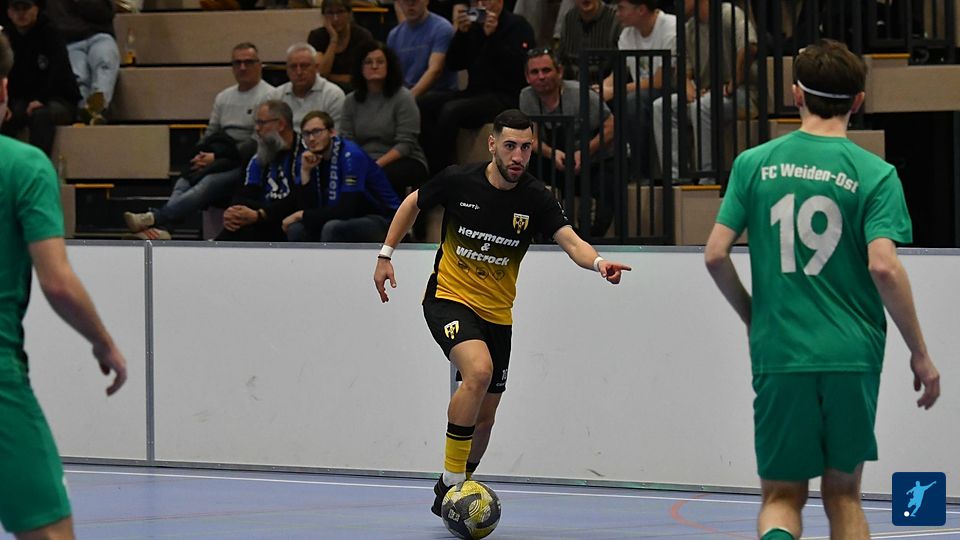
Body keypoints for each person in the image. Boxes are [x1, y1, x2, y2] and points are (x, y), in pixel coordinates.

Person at [704, 39, 940, 540]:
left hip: (780, 349)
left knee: (781, 498)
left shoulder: (753, 164)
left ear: (796, 95)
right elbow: (884, 267)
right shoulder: (876, 174)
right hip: (851, 353)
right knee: (845, 496)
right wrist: (920, 353)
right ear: (858, 101)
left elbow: (716, 254)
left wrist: (753, 315)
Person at [373, 109, 631, 517]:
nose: (517, 156)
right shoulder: (459, 180)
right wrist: (386, 254)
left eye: (526, 148)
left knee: (486, 418)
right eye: (510, 146)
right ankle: (453, 481)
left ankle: (451, 489)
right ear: (492, 144)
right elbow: (412, 203)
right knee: (478, 372)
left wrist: (599, 263)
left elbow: (571, 241)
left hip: (497, 315)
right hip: (448, 298)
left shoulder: (536, 197)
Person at [0, 33, 127, 540]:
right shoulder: (22, 166)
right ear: (4, 87)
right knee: (50, 533)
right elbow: (57, 282)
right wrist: (103, 342)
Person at [123, 42, 274, 240]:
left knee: (208, 183)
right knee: (184, 180)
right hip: (219, 155)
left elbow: (256, 141)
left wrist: (217, 157)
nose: (243, 67)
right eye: (237, 63)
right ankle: (162, 229)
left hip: (246, 163)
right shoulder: (224, 97)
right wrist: (202, 155)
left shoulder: (269, 96)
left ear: (259, 64)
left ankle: (156, 218)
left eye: (248, 62)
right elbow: (211, 133)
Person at [418, 0, 535, 175]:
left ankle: (439, 173)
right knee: (425, 103)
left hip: (504, 94)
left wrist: (492, 37)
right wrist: (461, 33)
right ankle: (425, 166)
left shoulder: (517, 25)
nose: (483, 4)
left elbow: (519, 69)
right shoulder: (475, 25)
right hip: (474, 92)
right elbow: (454, 63)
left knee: (451, 111)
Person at [653, 0, 757, 184]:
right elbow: (685, 66)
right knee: (662, 106)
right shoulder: (690, 27)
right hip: (708, 92)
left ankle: (707, 178)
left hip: (745, 93)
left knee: (702, 106)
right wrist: (687, 86)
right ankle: (676, 178)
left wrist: (733, 82)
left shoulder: (729, 14)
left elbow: (750, 46)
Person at [519, 47, 615, 236]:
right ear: (527, 77)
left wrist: (585, 152)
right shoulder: (526, 96)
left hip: (594, 159)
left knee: (608, 186)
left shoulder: (581, 93)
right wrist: (552, 154)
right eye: (535, 72)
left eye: (546, 70)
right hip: (556, 159)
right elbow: (530, 137)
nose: (541, 76)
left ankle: (593, 237)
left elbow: (611, 126)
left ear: (560, 71)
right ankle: (542, 236)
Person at [280, 111, 401, 242]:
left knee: (332, 228)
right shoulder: (310, 158)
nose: (312, 138)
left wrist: (301, 215)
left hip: (383, 219)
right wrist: (305, 172)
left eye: (317, 131)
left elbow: (346, 209)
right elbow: (308, 207)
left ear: (332, 132)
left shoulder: (351, 155)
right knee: (297, 229)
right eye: (306, 134)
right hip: (345, 218)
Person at [341, 42, 429, 196]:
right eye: (368, 62)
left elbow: (406, 144)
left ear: (389, 66)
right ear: (360, 68)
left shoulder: (403, 97)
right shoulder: (350, 101)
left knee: (380, 177)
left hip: (402, 159)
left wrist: (375, 165)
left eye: (380, 62)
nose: (374, 66)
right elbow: (347, 139)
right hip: (363, 159)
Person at [0, 0, 81, 156]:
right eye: (16, 8)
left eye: (26, 8)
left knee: (41, 116)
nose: (21, 13)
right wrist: (6, 104)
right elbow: (6, 75)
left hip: (59, 99)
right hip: (22, 100)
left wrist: (41, 99)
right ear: (9, 12)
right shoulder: (7, 38)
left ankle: (40, 162)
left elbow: (59, 73)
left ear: (36, 9)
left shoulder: (51, 33)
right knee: (8, 115)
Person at [216, 100, 298, 242]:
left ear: (281, 124)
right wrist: (233, 212)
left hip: (286, 216)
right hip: (260, 214)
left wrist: (260, 215)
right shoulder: (258, 154)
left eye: (261, 123)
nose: (257, 129)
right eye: (256, 123)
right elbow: (245, 191)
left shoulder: (303, 153)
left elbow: (300, 199)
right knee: (237, 224)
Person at [45, 0, 120, 124]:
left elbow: (105, 13)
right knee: (78, 75)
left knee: (105, 61)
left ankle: (97, 108)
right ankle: (84, 113)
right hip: (70, 42)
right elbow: (56, 24)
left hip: (100, 35)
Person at [266, 43, 345, 131]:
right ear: (287, 70)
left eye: (304, 66)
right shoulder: (275, 96)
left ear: (316, 68)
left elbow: (334, 134)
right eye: (293, 67)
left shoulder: (333, 95)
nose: (299, 72)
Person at [387, 0, 458, 98]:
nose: (410, 5)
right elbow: (391, 73)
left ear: (426, 1)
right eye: (405, 1)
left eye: (416, 1)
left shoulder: (442, 28)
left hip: (438, 92)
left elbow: (435, 70)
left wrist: (408, 98)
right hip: (406, 92)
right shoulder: (394, 35)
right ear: (399, 3)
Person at [307, 0, 375, 92]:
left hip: (356, 90)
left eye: (340, 12)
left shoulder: (362, 36)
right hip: (324, 91)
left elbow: (365, 75)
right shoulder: (317, 36)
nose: (335, 18)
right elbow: (321, 74)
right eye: (330, 13)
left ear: (349, 14)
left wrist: (330, 77)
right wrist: (333, 40)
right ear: (323, 16)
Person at [555, 0, 620, 82]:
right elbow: (561, 59)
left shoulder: (615, 19)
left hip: (605, 85)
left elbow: (624, 66)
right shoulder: (568, 19)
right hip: (572, 85)